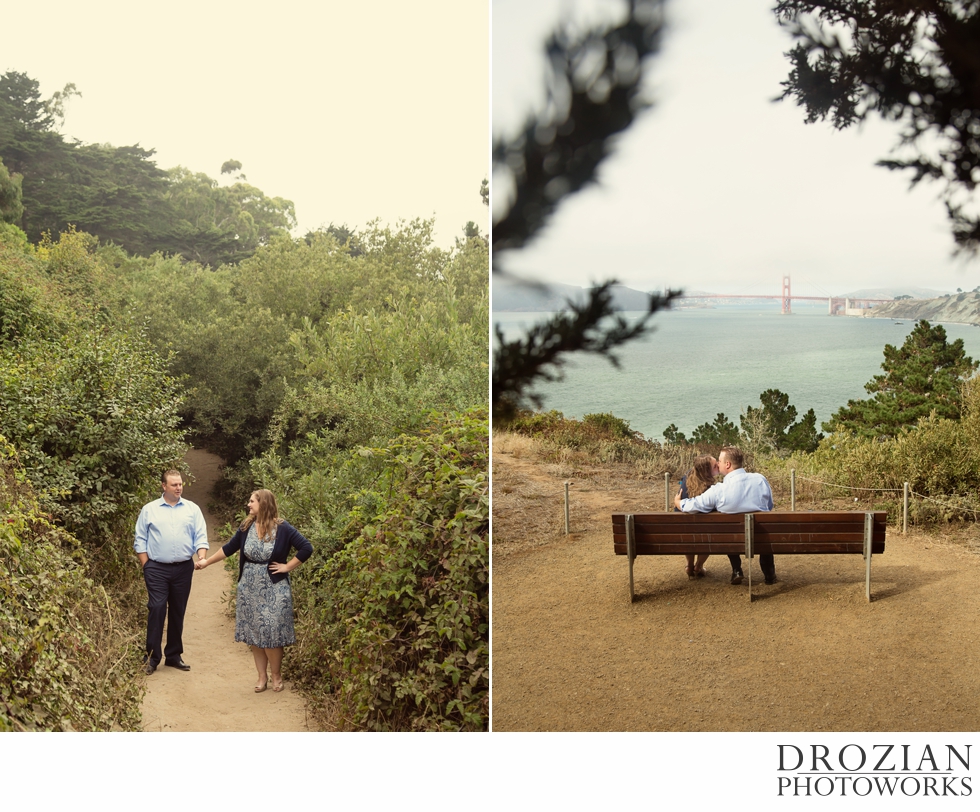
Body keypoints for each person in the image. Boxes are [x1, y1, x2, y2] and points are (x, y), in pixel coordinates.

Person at [196, 489, 313, 693]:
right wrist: (207, 562)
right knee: (255, 632)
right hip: (249, 586)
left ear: (264, 503)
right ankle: (262, 677)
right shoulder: (246, 526)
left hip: (274, 586)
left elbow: (306, 548)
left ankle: (276, 675)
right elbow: (229, 548)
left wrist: (287, 566)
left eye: (252, 501)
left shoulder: (282, 528)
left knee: (270, 631)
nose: (248, 505)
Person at [134, 469, 209, 674]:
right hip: (156, 568)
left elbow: (200, 536)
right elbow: (140, 539)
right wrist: (146, 565)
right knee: (157, 608)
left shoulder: (192, 509)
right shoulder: (149, 509)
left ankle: (174, 656)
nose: (179, 488)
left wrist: (201, 556)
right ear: (164, 486)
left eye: (180, 484)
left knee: (178, 610)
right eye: (174, 484)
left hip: (183, 568)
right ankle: (151, 658)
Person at [673, 446, 777, 585]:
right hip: (761, 538)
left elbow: (693, 505)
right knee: (761, 526)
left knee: (731, 528)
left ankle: (737, 569)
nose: (718, 465)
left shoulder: (719, 490)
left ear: (727, 464)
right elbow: (769, 506)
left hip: (734, 541)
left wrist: (679, 503)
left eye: (720, 462)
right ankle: (769, 574)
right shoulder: (760, 480)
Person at [675, 454, 716, 579]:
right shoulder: (711, 489)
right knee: (709, 535)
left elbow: (678, 503)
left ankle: (689, 565)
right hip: (704, 531)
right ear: (707, 471)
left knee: (688, 532)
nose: (718, 465)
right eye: (715, 465)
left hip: (684, 529)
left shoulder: (687, 476)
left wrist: (677, 502)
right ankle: (698, 565)